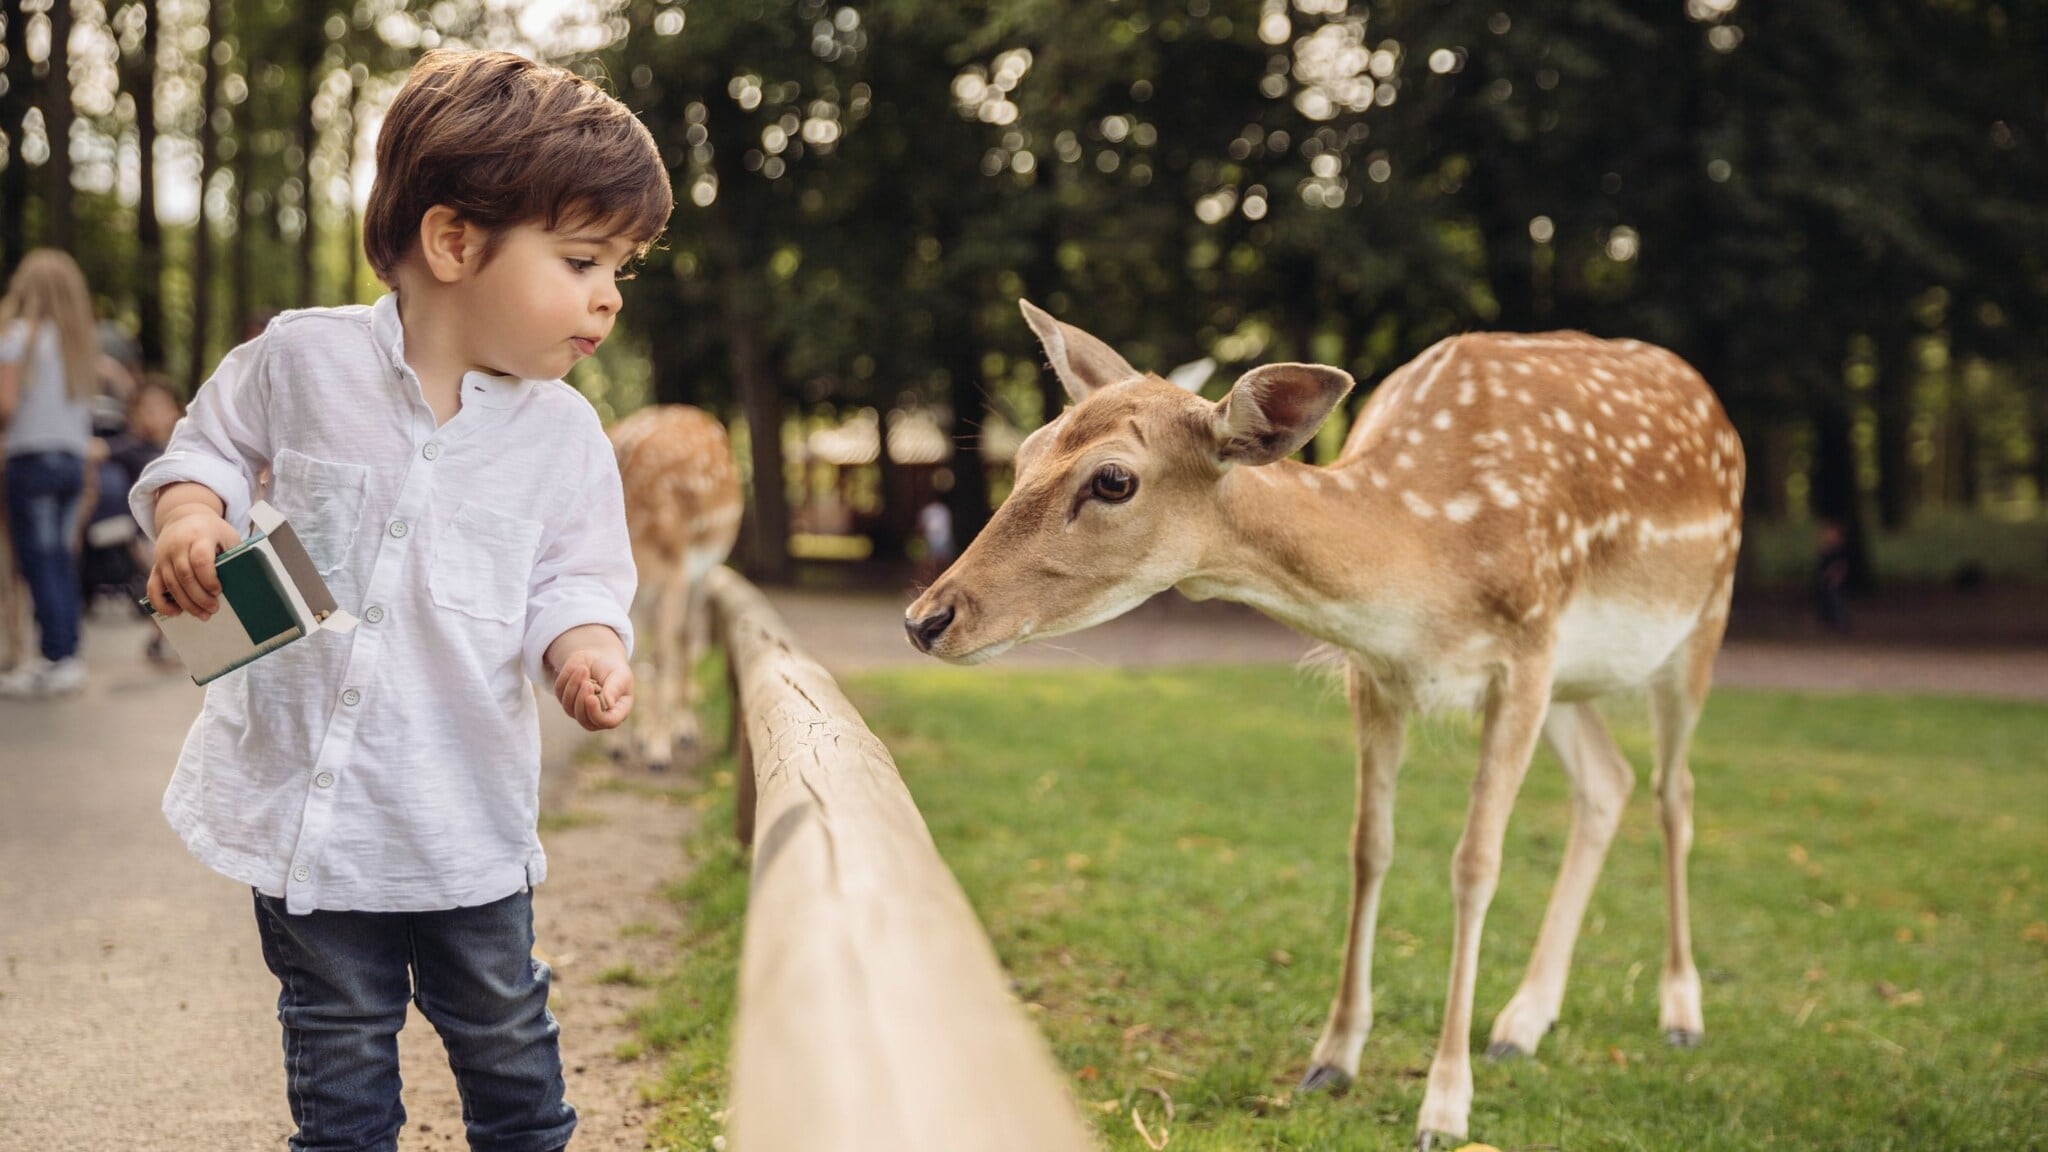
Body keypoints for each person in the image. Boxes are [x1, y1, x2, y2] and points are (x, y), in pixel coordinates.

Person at [128, 49, 671, 1152]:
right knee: (335, 1043)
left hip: (460, 817)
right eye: (580, 259)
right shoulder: (299, 361)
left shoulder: (563, 438)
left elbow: (575, 577)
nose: (608, 294)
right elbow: (210, 448)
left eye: (621, 267)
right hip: (309, 816)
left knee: (505, 1038)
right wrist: (193, 518)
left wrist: (582, 650)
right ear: (454, 241)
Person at [0, 249, 100, 697]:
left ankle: (55, 656)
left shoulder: (17, 336)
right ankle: (65, 653)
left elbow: (5, 405)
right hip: (72, 464)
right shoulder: (77, 342)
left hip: (30, 459)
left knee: (38, 562)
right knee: (60, 559)